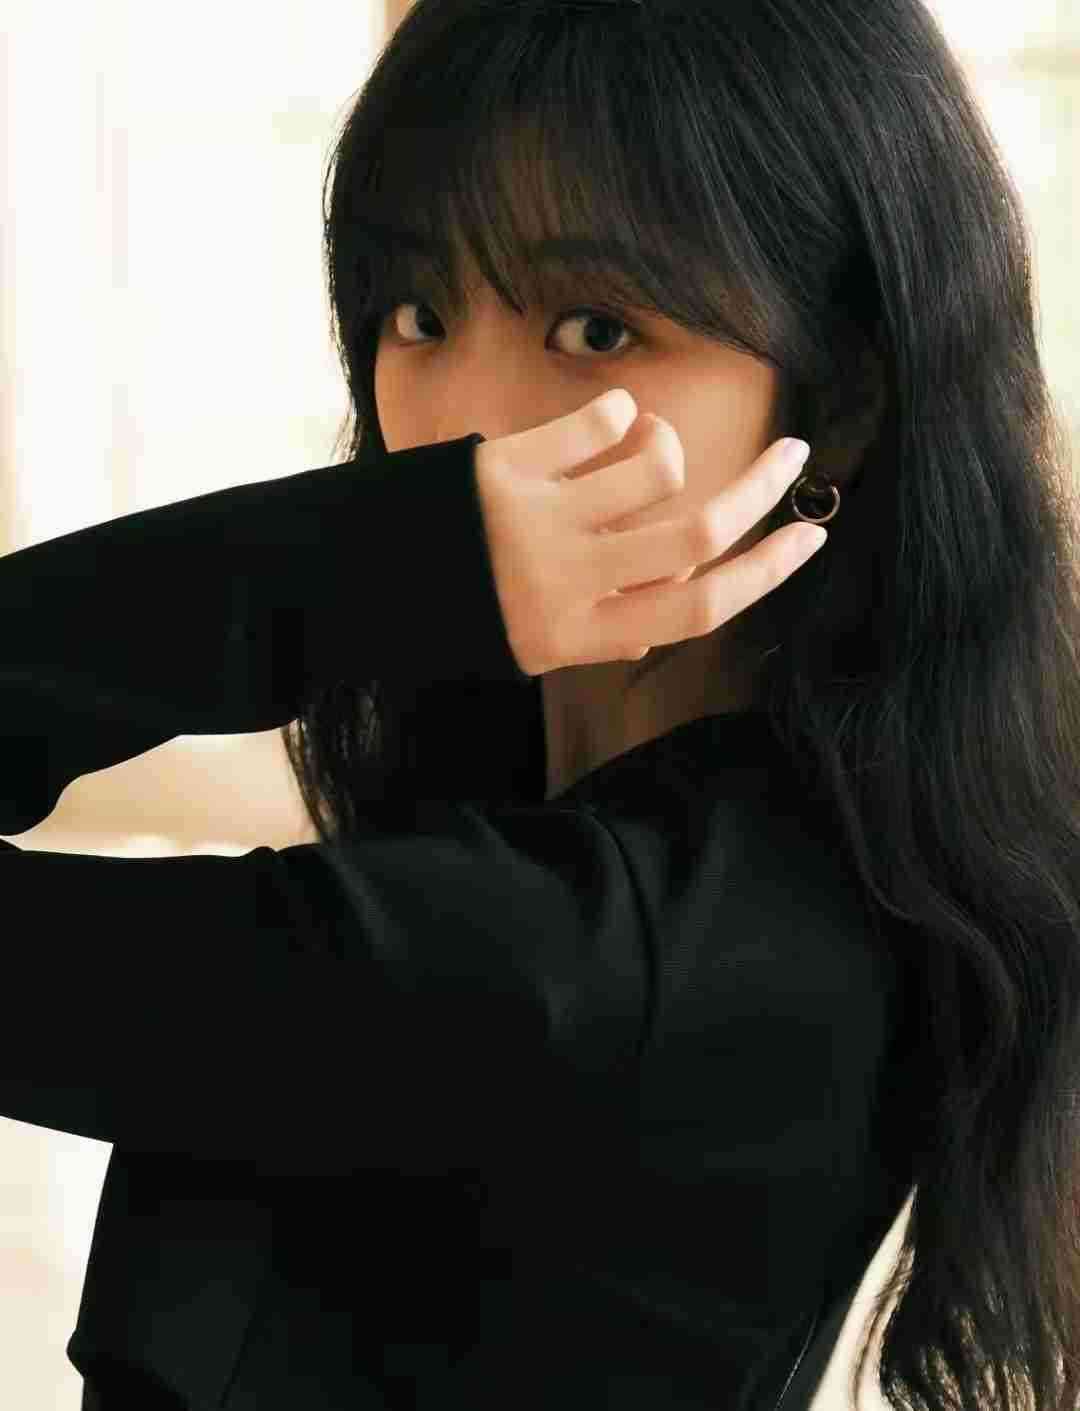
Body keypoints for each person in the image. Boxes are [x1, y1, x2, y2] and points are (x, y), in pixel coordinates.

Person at [3, 0, 1080, 1407]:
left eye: (596, 326)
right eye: (418, 314)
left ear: (845, 396)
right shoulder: (623, 841)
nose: (461, 425)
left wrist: (369, 571)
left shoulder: (610, 953)